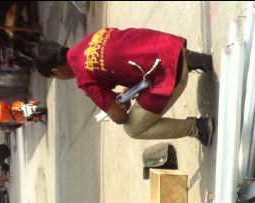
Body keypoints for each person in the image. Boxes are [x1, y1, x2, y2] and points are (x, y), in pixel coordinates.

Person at [32, 29, 214, 145]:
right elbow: (123, 58)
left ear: (56, 71)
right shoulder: (93, 36)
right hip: (170, 47)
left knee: (133, 128)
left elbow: (120, 117)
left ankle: (197, 127)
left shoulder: (84, 78)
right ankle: (189, 59)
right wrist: (131, 89)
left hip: (167, 73)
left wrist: (120, 106)